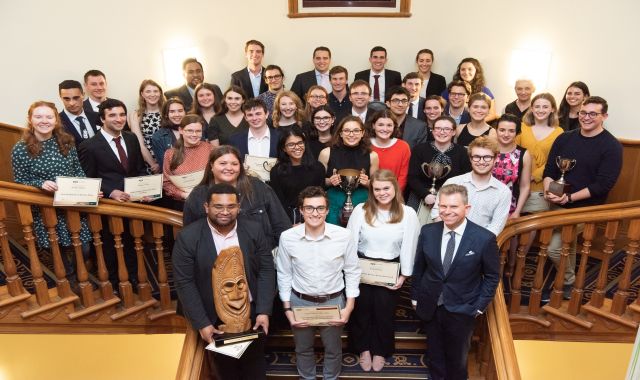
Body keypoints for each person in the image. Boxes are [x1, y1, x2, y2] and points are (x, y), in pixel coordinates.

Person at [172, 183, 275, 379]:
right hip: (214, 321)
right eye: (218, 206)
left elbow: (266, 271)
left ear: (238, 207)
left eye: (231, 206)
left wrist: (263, 310)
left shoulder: (254, 229)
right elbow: (184, 283)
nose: (225, 211)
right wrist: (202, 323)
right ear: (206, 207)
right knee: (225, 372)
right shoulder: (188, 237)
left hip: (252, 317)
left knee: (254, 369)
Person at [411, 184, 500, 380]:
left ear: (466, 209)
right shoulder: (428, 231)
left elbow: (492, 276)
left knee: (457, 359)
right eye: (443, 206)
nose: (447, 211)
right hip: (431, 304)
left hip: (463, 307)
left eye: (453, 207)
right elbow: (420, 268)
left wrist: (479, 306)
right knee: (434, 354)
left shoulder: (484, 239)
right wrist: (416, 297)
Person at [276, 186, 361, 380]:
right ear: (301, 210)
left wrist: (348, 307)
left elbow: (353, 271)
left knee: (333, 349)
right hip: (300, 302)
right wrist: (287, 309)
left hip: (333, 302)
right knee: (303, 349)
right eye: (309, 208)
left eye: (320, 208)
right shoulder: (287, 238)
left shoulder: (343, 236)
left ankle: (331, 377)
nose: (315, 213)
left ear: (327, 210)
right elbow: (284, 273)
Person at [542, 96, 622, 299]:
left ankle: (568, 281)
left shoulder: (611, 146)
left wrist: (568, 199)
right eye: (583, 113)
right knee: (519, 204)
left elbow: (602, 185)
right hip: (556, 198)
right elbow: (550, 170)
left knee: (554, 249)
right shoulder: (565, 138)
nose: (586, 117)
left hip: (583, 208)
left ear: (604, 116)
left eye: (593, 114)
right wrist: (548, 190)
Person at [346, 170, 419, 372]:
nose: (381, 193)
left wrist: (404, 274)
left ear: (395, 188)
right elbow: (350, 242)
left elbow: (409, 245)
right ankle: (363, 349)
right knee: (362, 310)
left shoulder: (408, 213)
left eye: (386, 188)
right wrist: (351, 271)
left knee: (384, 311)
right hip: (362, 266)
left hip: (391, 268)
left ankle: (380, 350)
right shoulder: (361, 210)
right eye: (377, 189)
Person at [11, 101, 92, 283]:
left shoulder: (66, 142)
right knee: (58, 251)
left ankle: (78, 273)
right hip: (46, 210)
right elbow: (20, 183)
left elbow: (78, 171)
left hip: (71, 206)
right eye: (38, 117)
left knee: (85, 248)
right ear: (30, 120)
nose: (44, 121)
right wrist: (40, 183)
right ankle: (71, 281)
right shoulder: (20, 149)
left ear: (56, 120)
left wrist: (89, 190)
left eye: (49, 117)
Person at [78, 98, 149, 287]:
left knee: (134, 243)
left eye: (122, 114)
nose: (119, 119)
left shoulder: (131, 138)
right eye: (112, 115)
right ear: (102, 119)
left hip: (133, 204)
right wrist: (110, 192)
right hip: (108, 208)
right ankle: (115, 283)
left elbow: (139, 169)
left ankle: (134, 277)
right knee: (111, 246)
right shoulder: (89, 146)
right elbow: (88, 180)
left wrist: (144, 189)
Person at [183, 145, 290, 248]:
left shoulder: (258, 188)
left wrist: (269, 253)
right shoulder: (198, 196)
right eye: (223, 163)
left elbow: (282, 225)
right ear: (211, 165)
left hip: (258, 256)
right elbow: (190, 234)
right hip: (215, 259)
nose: (229, 168)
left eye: (234, 164)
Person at [431, 136, 511, 236]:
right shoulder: (452, 182)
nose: (481, 162)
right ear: (470, 159)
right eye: (476, 157)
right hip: (448, 238)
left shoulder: (502, 192)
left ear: (495, 159)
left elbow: (495, 227)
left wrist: (471, 242)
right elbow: (436, 212)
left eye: (487, 157)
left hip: (479, 245)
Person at [318, 116, 379, 225]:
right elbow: (317, 183)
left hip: (362, 204)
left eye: (356, 131)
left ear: (362, 133)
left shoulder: (372, 156)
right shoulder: (326, 153)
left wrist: (367, 183)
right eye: (347, 130)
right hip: (333, 204)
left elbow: (377, 186)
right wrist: (330, 181)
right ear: (340, 133)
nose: (351, 134)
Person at [407, 116, 471, 212]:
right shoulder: (419, 149)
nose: (442, 132)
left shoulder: (463, 152)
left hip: (451, 199)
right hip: (420, 196)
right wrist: (425, 195)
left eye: (447, 129)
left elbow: (466, 180)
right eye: (438, 128)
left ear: (453, 132)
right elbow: (412, 177)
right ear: (432, 131)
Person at [515, 93, 563, 216]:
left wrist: (533, 176)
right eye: (537, 106)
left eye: (545, 107)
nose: (540, 110)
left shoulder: (559, 132)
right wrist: (522, 176)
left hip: (540, 186)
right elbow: (514, 152)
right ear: (531, 108)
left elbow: (554, 161)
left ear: (552, 109)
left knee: (531, 225)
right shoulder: (522, 127)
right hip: (516, 183)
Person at [270, 126, 325, 223]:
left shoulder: (318, 168)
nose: (297, 147)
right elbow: (278, 203)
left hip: (315, 216)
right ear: (284, 148)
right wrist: (289, 223)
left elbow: (321, 197)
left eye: (300, 143)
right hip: (289, 220)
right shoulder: (277, 171)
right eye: (291, 144)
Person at [162, 115, 212, 210]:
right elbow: (166, 183)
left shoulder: (210, 149)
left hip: (208, 201)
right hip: (183, 204)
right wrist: (184, 195)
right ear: (181, 130)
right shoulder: (170, 154)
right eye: (189, 131)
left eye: (198, 131)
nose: (194, 134)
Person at [493, 114, 531, 218]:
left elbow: (525, 186)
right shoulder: (487, 150)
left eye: (511, 131)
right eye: (502, 130)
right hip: (484, 206)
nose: (506, 134)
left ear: (517, 133)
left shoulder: (523, 154)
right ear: (496, 130)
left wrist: (517, 211)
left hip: (509, 209)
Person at [128, 79, 165, 174]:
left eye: (155, 91)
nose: (152, 94)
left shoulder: (167, 112)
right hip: (147, 161)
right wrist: (153, 165)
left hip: (167, 159)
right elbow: (139, 144)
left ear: (160, 93)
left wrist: (162, 163)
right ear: (142, 94)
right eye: (148, 91)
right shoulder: (136, 115)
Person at [443, 58, 497, 122]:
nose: (466, 72)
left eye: (470, 69)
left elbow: (492, 115)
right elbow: (440, 108)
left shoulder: (485, 91)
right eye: (463, 69)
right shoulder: (452, 88)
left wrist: (474, 124)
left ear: (476, 71)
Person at [369, 110, 411, 192]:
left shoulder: (403, 146)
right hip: (368, 195)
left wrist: (394, 194)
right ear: (373, 125)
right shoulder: (365, 145)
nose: (385, 129)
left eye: (389, 125)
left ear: (394, 127)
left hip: (395, 195)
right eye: (380, 125)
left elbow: (403, 176)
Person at [58, 79, 100, 147]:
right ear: (61, 98)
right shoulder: (56, 122)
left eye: (76, 98)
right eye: (66, 99)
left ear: (83, 95)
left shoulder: (96, 116)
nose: (72, 103)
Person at [151, 97, 186, 169]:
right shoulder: (158, 137)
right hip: (173, 176)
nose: (177, 114)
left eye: (180, 111)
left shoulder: (195, 129)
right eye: (172, 112)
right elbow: (164, 166)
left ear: (185, 112)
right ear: (166, 114)